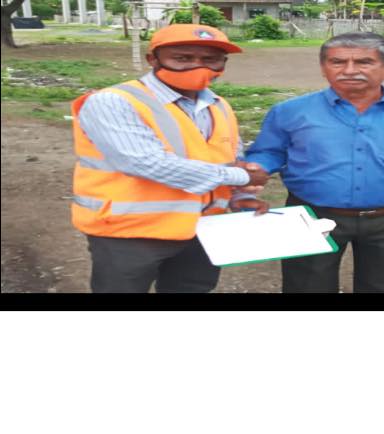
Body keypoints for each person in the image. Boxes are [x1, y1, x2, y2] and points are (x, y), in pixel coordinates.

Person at [246, 32, 384, 293]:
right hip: (311, 214)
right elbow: (269, 151)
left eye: (364, 62)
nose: (349, 70)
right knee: (307, 286)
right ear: (323, 67)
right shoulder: (289, 111)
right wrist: (258, 167)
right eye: (338, 62)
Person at [71, 24, 271, 293]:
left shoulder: (219, 105)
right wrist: (241, 176)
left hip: (202, 229)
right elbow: (144, 163)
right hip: (129, 233)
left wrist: (238, 196)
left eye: (210, 59)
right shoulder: (114, 102)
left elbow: (229, 159)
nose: (198, 66)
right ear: (152, 59)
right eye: (182, 58)